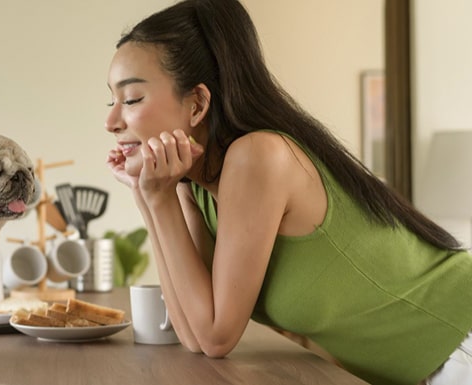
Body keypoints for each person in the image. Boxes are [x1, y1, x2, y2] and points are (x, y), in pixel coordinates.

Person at [103, 1, 472, 384]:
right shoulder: (197, 190)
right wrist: (148, 195)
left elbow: (216, 337)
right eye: (111, 100)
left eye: (131, 100)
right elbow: (194, 335)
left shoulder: (257, 157)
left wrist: (158, 198)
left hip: (461, 346)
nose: (111, 121)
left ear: (197, 104)